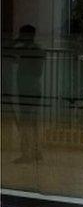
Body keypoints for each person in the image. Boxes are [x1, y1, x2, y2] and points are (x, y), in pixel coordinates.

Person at [12, 24, 44, 163]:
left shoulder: (33, 50)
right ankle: (35, 152)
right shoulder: (33, 49)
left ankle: (29, 153)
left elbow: (37, 70)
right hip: (30, 88)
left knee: (27, 121)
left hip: (28, 88)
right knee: (32, 121)